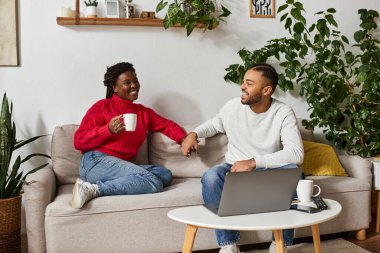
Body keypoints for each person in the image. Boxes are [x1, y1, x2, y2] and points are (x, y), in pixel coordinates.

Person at [181, 63, 304, 253]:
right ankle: (229, 245)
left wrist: (254, 162)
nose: (242, 86)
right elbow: (214, 124)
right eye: (243, 82)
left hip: (268, 169)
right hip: (233, 168)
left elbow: (296, 154)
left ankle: (280, 244)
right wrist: (194, 134)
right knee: (211, 177)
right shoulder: (232, 107)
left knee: (295, 174)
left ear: (266, 90)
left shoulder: (283, 112)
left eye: (249, 83)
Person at [72, 62, 186, 209]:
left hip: (121, 166)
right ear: (114, 88)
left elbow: (166, 125)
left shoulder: (143, 112)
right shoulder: (102, 107)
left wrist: (184, 139)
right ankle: (93, 189)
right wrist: (108, 130)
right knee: (154, 182)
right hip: (95, 163)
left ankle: (120, 182)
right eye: (127, 82)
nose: (134, 85)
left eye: (135, 81)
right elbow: (78, 141)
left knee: (165, 175)